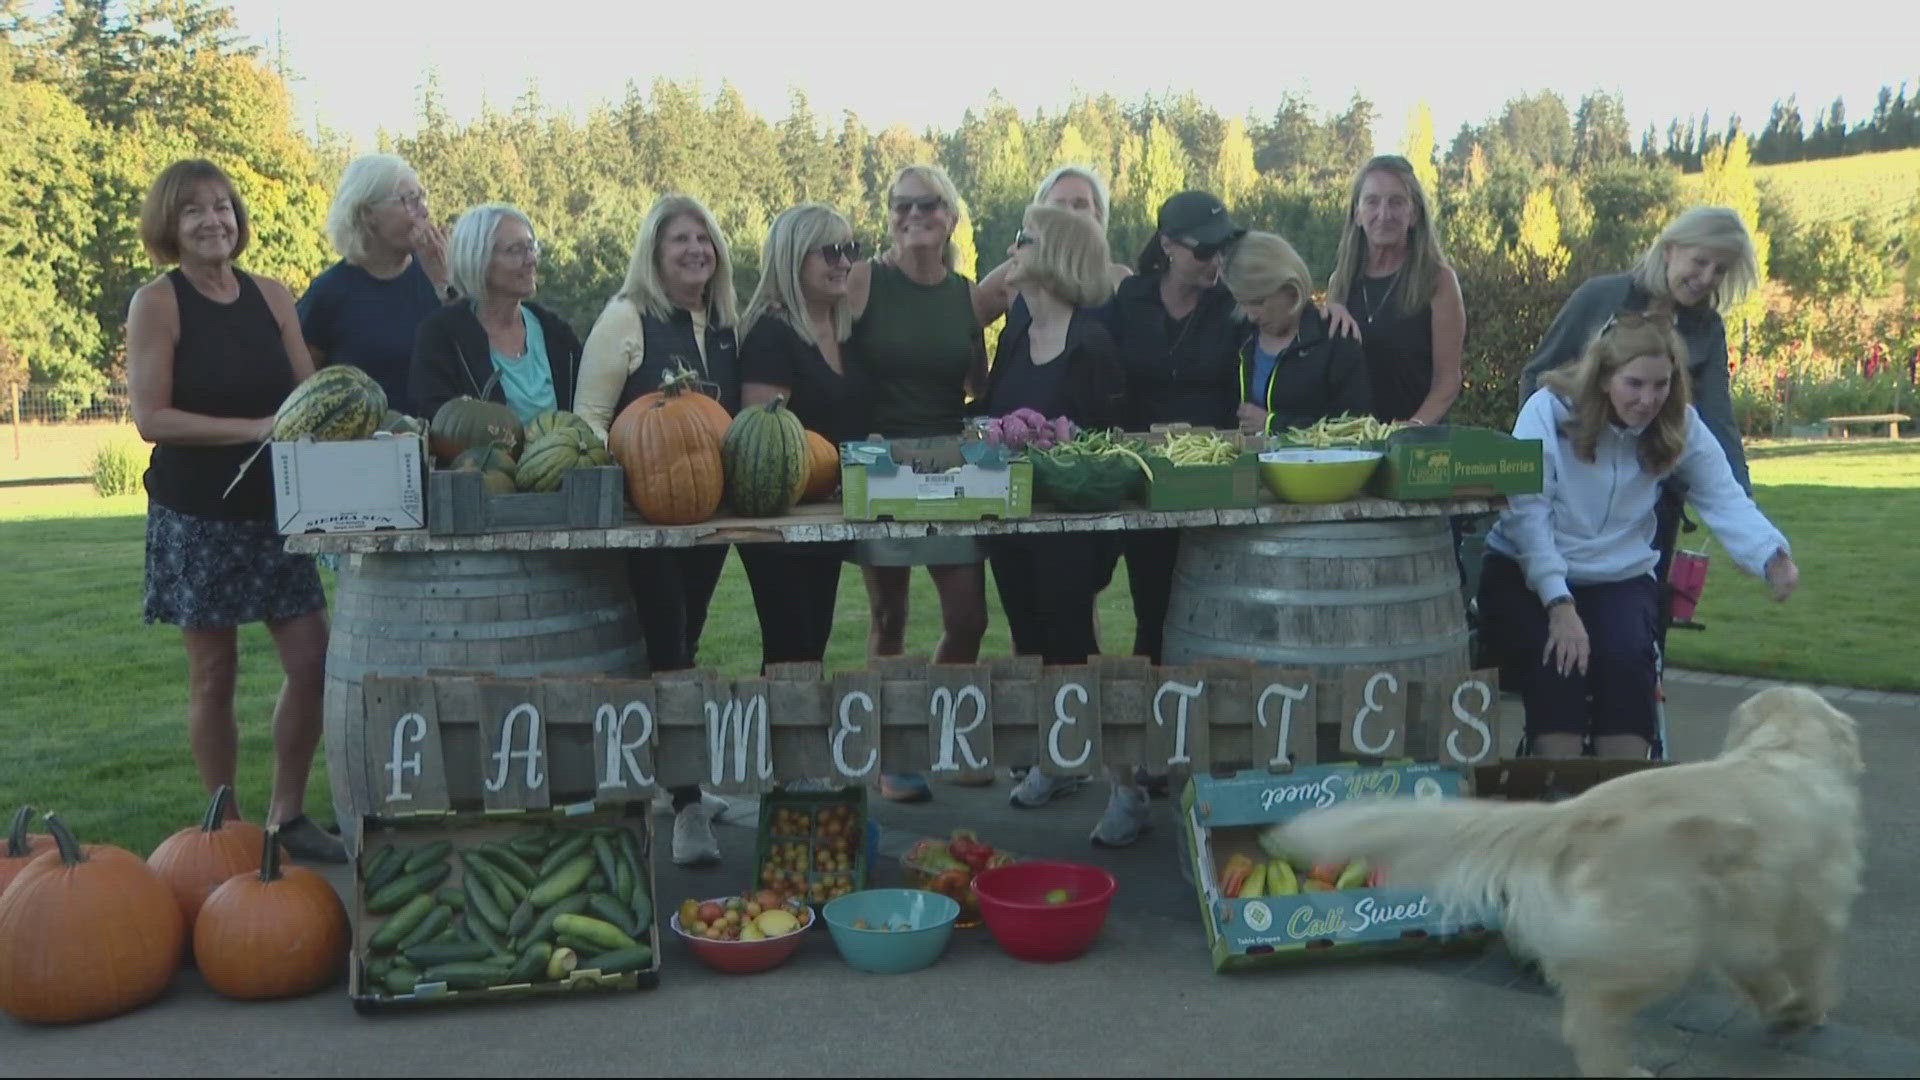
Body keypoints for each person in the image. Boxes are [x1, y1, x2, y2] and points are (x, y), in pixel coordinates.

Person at [124, 159, 341, 862]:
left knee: (315, 664)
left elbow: (311, 401)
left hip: (279, 511)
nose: (214, 220)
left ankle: (287, 815)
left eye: (223, 207)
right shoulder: (158, 303)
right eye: (194, 211)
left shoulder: (273, 295)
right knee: (214, 674)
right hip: (198, 515)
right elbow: (151, 418)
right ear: (170, 227)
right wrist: (254, 429)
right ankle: (228, 831)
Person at [1479, 313, 1798, 760]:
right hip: (1528, 572)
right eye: (1635, 384)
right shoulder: (1548, 409)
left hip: (1618, 575)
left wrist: (1771, 553)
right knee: (1561, 665)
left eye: (1661, 385)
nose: (1649, 400)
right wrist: (1559, 602)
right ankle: (1556, 792)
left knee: (1627, 663)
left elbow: (1722, 495)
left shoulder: (1678, 423)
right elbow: (1527, 511)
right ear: (1604, 376)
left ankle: (1624, 796)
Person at [575, 194, 741, 863]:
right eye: (681, 240)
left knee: (684, 640)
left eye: (704, 239)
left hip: (709, 519)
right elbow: (588, 417)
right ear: (654, 250)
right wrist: (625, 493)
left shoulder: (725, 322)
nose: (696, 250)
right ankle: (687, 805)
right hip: (648, 520)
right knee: (668, 649)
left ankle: (662, 785)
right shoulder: (627, 316)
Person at [1077, 189, 1245, 845]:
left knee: (1166, 615)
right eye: (1205, 249)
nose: (1215, 260)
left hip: (1202, 487)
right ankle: (1112, 755)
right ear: (1168, 247)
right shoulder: (1125, 304)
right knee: (1087, 601)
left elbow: (1288, 321)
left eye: (1223, 248)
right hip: (1129, 483)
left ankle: (1165, 754)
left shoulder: (1231, 308)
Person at [1518, 208, 1762, 647]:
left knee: (1639, 634)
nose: (1707, 278)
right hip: (1573, 496)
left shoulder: (1706, 329)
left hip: (1650, 499)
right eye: (1700, 262)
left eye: (1720, 269)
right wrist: (1537, 472)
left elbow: (1717, 420)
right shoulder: (1601, 297)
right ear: (1670, 250)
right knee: (1565, 635)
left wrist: (1748, 526)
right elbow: (1538, 377)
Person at [843, 164, 992, 804]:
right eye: (900, 206)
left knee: (970, 617)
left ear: (951, 217)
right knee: (889, 612)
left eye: (927, 205)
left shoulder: (964, 295)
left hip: (952, 467)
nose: (912, 215)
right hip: (879, 465)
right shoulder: (865, 280)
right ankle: (894, 753)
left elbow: (978, 385)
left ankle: (943, 735)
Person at [982, 205, 1125, 673]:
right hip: (1009, 527)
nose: (1011, 248)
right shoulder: (1015, 334)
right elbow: (991, 415)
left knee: (1070, 650)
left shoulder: (1092, 346)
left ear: (1056, 254)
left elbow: (1109, 453)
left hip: (1070, 538)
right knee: (1027, 646)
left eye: (1023, 238)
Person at [736, 204, 873, 669]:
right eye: (830, 251)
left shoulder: (842, 329)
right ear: (793, 258)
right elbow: (762, 445)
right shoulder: (770, 336)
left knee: (811, 647)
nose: (844, 262)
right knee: (791, 652)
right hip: (782, 524)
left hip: (827, 516)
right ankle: (775, 741)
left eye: (850, 249)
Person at [297, 154, 451, 416]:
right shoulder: (329, 292)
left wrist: (445, 284)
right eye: (409, 200)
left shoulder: (438, 276)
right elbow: (303, 388)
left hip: (445, 443)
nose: (424, 211)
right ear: (368, 213)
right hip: (365, 448)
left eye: (422, 198)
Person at [1323, 155, 1465, 427]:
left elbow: (1448, 380)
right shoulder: (1339, 284)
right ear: (1357, 213)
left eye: (1396, 202)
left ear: (1414, 214)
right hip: (1352, 443)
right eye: (1372, 201)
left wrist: (1414, 426)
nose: (1384, 214)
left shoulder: (1438, 281)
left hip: (1419, 448)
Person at [409, 203, 582, 423]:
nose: (531, 260)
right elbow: (438, 421)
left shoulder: (556, 333)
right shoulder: (442, 337)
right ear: (478, 260)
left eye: (531, 247)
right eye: (516, 250)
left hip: (565, 456)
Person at [1223, 231, 1373, 435]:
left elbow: (1356, 428)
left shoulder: (1335, 338)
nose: (1251, 315)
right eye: (1242, 302)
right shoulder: (1240, 335)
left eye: (1259, 302)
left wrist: (1275, 425)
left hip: (1315, 465)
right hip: (1246, 465)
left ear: (1290, 289)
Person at [971, 165, 1133, 326]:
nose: (1069, 213)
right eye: (1058, 205)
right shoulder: (1014, 273)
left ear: (1098, 215)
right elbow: (962, 324)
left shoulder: (1118, 280)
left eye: (1080, 204)